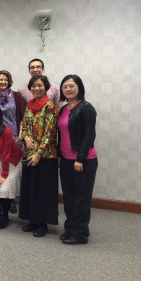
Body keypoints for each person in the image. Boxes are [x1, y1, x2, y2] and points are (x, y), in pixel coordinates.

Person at [58, 75, 98, 245]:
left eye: (71, 86)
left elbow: (89, 135)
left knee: (81, 198)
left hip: (83, 160)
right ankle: (71, 228)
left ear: (79, 88)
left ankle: (80, 234)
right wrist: (60, 156)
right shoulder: (64, 108)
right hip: (66, 159)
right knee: (69, 197)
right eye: (65, 86)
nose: (68, 89)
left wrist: (80, 158)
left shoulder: (87, 108)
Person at [19, 75, 59, 237]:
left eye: (40, 86)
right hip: (29, 153)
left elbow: (50, 133)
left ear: (46, 87)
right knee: (30, 188)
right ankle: (32, 220)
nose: (36, 88)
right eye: (33, 86)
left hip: (45, 156)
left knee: (43, 190)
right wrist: (26, 137)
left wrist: (38, 154)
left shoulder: (50, 107)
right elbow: (25, 124)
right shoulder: (30, 105)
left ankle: (42, 224)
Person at [0, 70, 25, 213]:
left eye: (5, 79)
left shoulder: (16, 96)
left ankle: (11, 199)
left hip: (14, 137)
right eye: (0, 79)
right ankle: (3, 197)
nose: (2, 82)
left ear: (9, 81)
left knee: (12, 170)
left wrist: (20, 136)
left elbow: (22, 117)